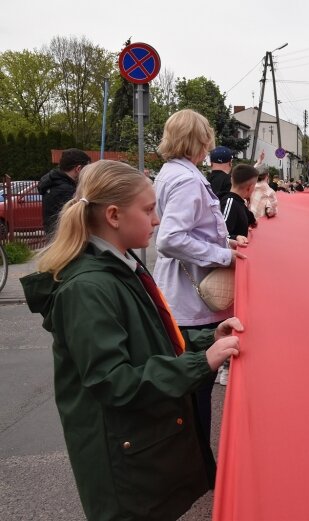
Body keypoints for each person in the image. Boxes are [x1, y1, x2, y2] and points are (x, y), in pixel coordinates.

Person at [20, 160, 242, 521]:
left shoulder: (120, 265)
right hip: (122, 462)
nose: (156, 220)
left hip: (137, 448)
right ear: (113, 215)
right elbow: (113, 380)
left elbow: (152, 336)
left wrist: (206, 339)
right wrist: (202, 362)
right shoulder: (88, 288)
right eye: (149, 209)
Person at [153, 109, 246, 477]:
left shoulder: (173, 174)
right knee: (198, 387)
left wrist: (226, 239)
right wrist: (224, 254)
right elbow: (171, 238)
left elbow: (189, 230)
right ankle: (199, 466)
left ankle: (193, 462)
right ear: (201, 140)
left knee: (192, 389)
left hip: (183, 294)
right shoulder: (189, 181)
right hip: (194, 300)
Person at [38, 148, 91, 238]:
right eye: (87, 170)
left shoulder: (53, 183)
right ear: (78, 169)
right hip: (65, 240)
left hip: (54, 238)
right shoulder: (67, 191)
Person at [220, 163, 258, 243]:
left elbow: (251, 219)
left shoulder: (239, 202)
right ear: (250, 187)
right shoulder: (230, 203)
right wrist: (235, 237)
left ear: (231, 180)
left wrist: (253, 221)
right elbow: (220, 234)